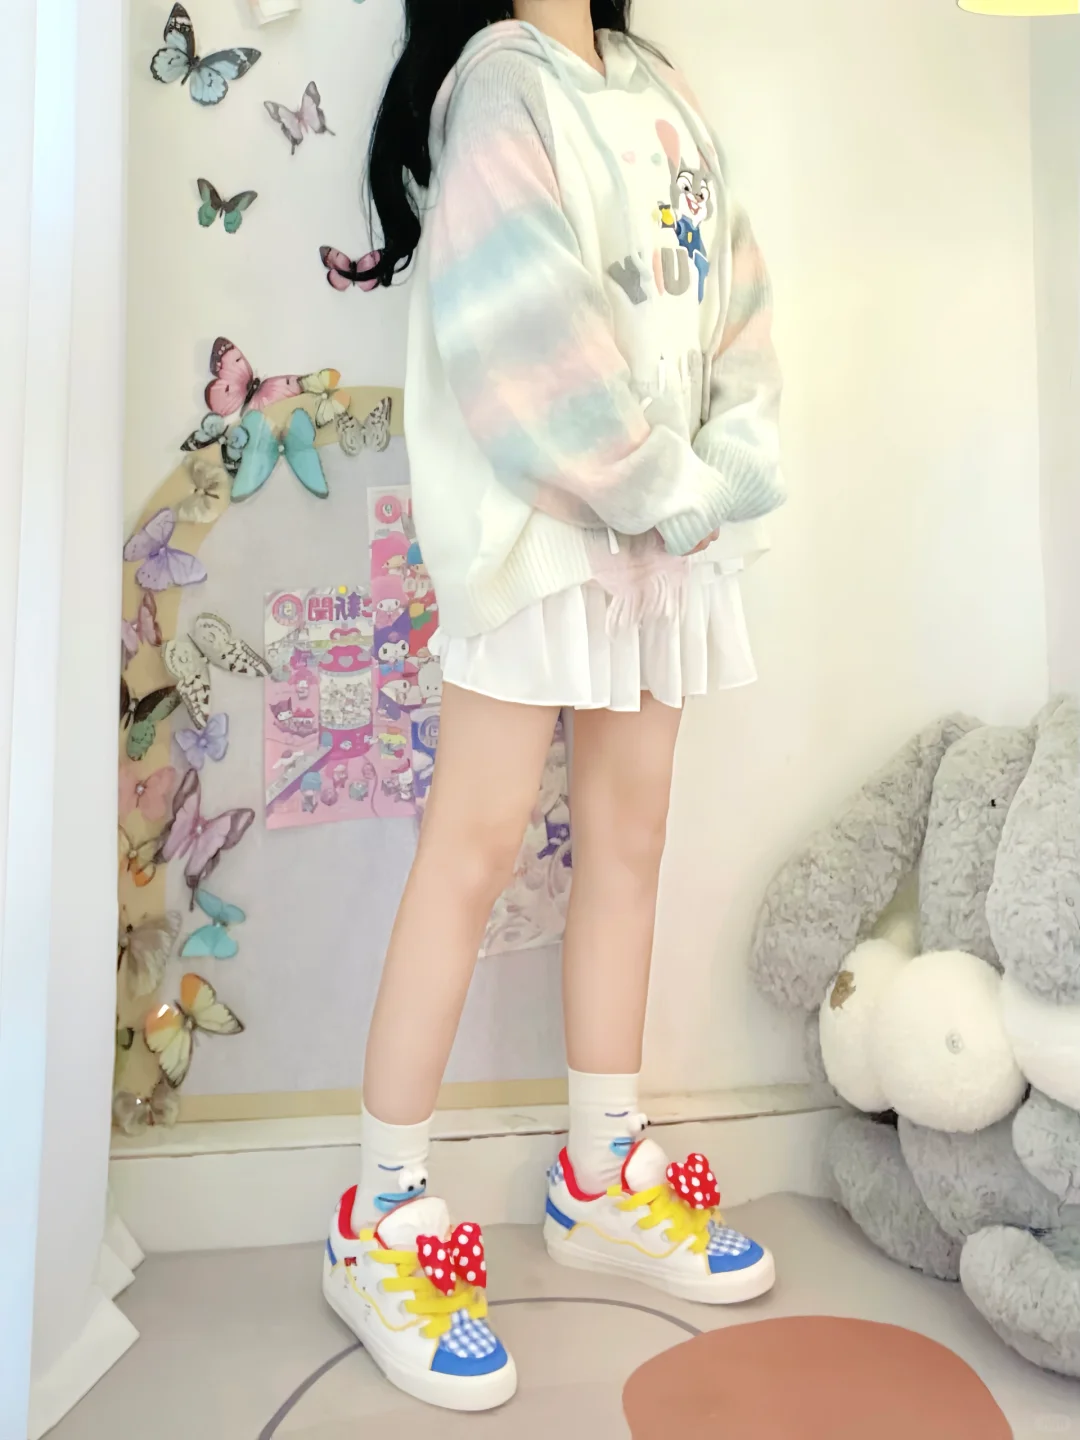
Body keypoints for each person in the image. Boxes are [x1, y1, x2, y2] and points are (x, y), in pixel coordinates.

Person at [322, 0, 785, 1411]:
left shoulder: (660, 86)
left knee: (631, 845)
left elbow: (740, 299)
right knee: (470, 852)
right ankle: (378, 1212)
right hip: (543, 541)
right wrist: (655, 483)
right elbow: (519, 335)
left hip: (664, 545)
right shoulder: (498, 90)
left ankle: (601, 1164)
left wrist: (721, 474)